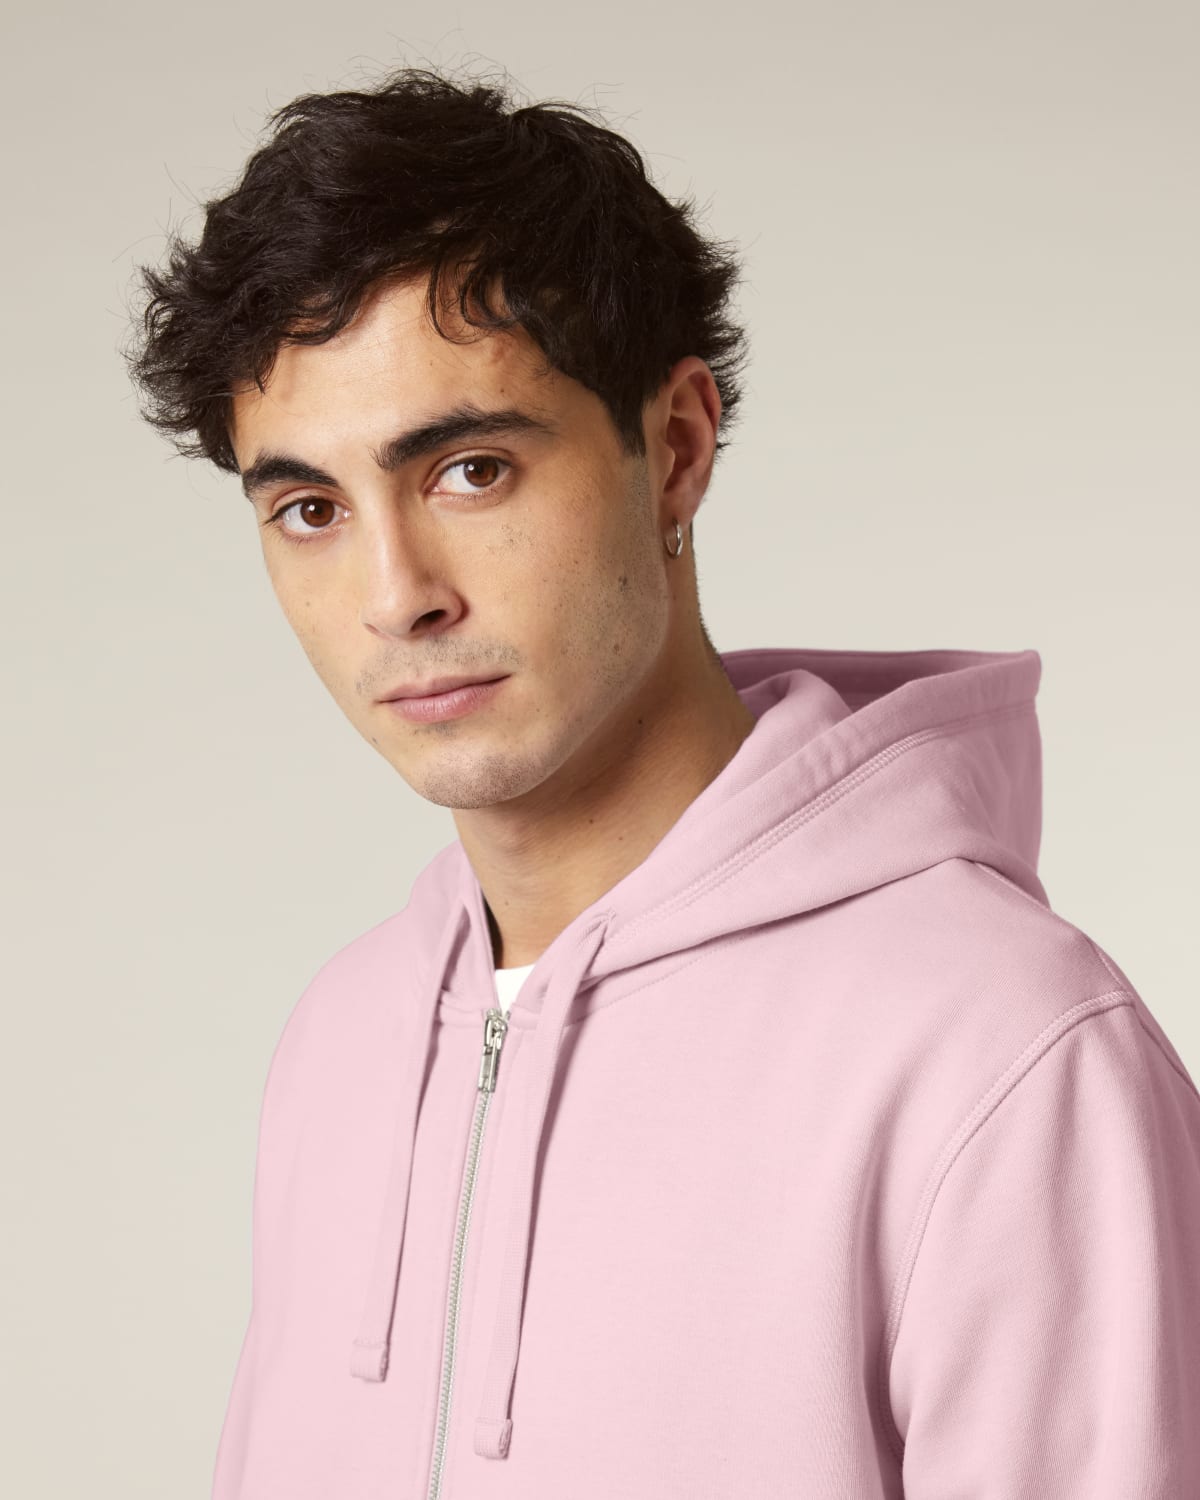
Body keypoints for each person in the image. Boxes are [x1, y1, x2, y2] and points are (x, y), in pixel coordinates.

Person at [128, 64, 1200, 1500]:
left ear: (677, 449)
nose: (394, 596)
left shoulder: (1005, 1051)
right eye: (310, 508)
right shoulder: (346, 1035)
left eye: (469, 471)